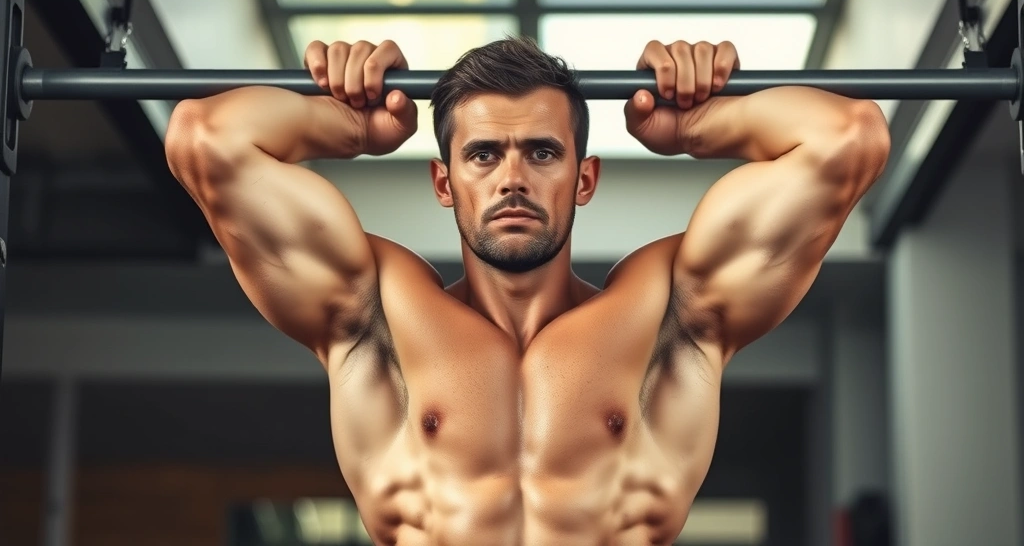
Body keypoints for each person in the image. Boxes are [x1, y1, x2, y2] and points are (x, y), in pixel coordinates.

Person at [164, 35, 890, 545]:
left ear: (584, 178)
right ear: (445, 181)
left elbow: (850, 137)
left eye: (541, 151)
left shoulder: (667, 316)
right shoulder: (376, 316)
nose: (512, 177)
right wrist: (347, 125)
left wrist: (702, 126)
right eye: (483, 154)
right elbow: (203, 138)